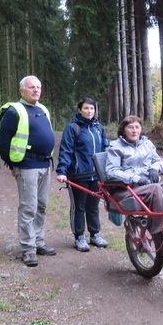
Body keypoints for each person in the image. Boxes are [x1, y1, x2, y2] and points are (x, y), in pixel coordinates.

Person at [0, 75, 57, 267]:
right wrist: (12, 165)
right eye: (31, 87)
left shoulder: (43, 109)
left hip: (45, 166)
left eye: (38, 87)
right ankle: (28, 249)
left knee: (41, 206)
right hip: (27, 167)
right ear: (22, 90)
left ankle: (38, 242)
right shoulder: (15, 111)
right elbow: (2, 142)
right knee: (28, 207)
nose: (36, 90)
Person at [105, 115, 163, 248]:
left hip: (146, 186)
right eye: (130, 127)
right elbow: (111, 171)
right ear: (123, 130)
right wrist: (135, 178)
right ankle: (159, 235)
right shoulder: (115, 147)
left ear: (141, 130)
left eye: (137, 127)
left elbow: (159, 161)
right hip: (126, 189)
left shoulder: (147, 144)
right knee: (156, 189)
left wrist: (154, 169)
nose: (134, 130)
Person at [56, 97, 110, 252]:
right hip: (78, 176)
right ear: (79, 110)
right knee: (79, 207)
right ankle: (79, 236)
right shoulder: (73, 128)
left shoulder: (99, 128)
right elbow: (65, 150)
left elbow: (106, 149)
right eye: (86, 108)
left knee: (93, 206)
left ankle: (94, 234)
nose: (89, 111)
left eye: (92, 108)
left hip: (96, 175)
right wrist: (62, 171)